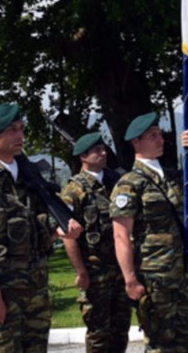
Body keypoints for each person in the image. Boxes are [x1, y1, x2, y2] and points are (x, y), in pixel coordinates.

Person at [0, 102, 82, 352]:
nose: (20, 136)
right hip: (3, 293)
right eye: (12, 131)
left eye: (21, 129)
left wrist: (59, 233)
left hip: (35, 292)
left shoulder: (29, 178)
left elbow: (37, 236)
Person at [110, 111, 188, 353]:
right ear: (136, 142)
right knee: (159, 343)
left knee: (183, 342)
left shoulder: (171, 176)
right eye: (152, 136)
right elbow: (121, 236)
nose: (160, 140)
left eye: (160, 135)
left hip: (181, 272)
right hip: (154, 276)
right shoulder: (129, 183)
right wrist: (130, 279)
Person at [60, 132, 131, 353]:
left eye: (103, 149)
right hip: (95, 272)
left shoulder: (115, 182)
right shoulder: (74, 190)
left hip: (119, 270)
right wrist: (80, 270)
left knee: (121, 330)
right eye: (96, 150)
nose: (103, 153)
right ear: (83, 156)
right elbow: (67, 234)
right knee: (99, 333)